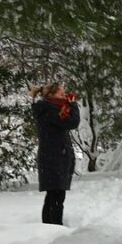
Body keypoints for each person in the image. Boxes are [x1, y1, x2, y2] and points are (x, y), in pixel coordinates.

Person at [30, 82, 80, 225]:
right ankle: (55, 228)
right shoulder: (49, 110)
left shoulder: (51, 109)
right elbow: (72, 123)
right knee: (57, 197)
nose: (65, 96)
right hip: (54, 159)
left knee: (53, 196)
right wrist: (73, 105)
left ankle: (48, 227)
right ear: (51, 95)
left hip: (54, 157)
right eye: (61, 94)